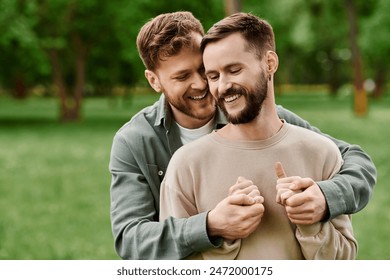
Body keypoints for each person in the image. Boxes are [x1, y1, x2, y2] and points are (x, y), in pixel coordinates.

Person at [109, 11, 376, 260]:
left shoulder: (256, 111)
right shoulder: (136, 141)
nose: (202, 84)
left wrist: (324, 197)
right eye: (182, 76)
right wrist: (212, 224)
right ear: (154, 81)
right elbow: (131, 239)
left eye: (204, 70)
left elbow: (354, 161)